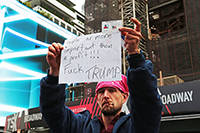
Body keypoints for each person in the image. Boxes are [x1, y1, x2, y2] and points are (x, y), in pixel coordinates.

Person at [40, 18, 163, 133]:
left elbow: (147, 100)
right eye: (101, 91)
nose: (105, 96)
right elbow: (53, 112)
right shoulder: (80, 127)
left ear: (125, 97)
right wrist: (55, 73)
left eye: (112, 90)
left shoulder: (138, 126)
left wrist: (135, 56)